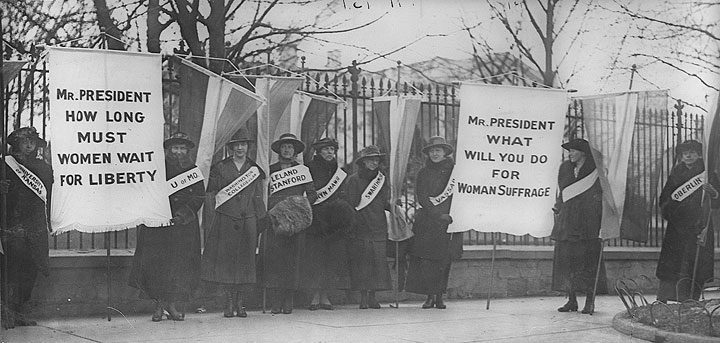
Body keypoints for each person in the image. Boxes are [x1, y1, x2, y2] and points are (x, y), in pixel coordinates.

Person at [129, 132, 205, 322]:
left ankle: (171, 305)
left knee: (178, 267)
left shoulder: (193, 171)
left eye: (182, 148)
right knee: (157, 266)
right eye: (175, 148)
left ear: (187, 150)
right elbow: (147, 193)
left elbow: (199, 197)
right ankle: (158, 306)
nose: (178, 152)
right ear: (168, 150)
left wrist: (182, 215)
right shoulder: (157, 169)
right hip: (159, 225)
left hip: (183, 226)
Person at [201, 128, 266, 318]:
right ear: (230, 147)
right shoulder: (221, 167)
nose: (240, 148)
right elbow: (210, 188)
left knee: (246, 261)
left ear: (248, 147)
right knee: (228, 262)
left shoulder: (254, 169)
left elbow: (258, 196)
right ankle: (228, 302)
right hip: (227, 219)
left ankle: (241, 302)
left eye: (243, 144)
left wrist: (261, 219)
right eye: (236, 144)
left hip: (248, 220)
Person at [0, 127, 52, 329]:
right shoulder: (5, 163)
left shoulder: (43, 167)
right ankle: (8, 312)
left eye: (32, 141)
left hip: (35, 225)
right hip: (13, 224)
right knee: (12, 269)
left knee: (32, 269)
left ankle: (20, 311)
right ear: (16, 143)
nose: (29, 145)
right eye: (25, 141)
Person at [656, 140, 719, 302]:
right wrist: (671, 210)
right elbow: (664, 198)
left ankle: (690, 299)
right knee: (672, 263)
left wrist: (714, 194)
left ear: (699, 154)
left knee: (693, 264)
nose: (688, 155)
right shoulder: (675, 173)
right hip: (677, 226)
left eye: (691, 152)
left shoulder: (708, 174)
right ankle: (665, 298)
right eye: (684, 153)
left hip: (699, 225)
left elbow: (717, 201)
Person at [261, 133, 317, 314]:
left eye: (290, 147)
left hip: (295, 223)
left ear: (295, 151)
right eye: (284, 146)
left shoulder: (303, 170)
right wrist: (275, 211)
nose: (287, 149)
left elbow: (312, 195)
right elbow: (263, 194)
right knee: (275, 260)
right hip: (275, 221)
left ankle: (288, 299)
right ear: (279, 149)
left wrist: (297, 208)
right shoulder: (270, 170)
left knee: (293, 261)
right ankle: (276, 301)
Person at [405, 136, 463, 309]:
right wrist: (436, 213)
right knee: (427, 261)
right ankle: (429, 296)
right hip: (428, 222)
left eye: (438, 150)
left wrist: (450, 214)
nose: (434, 154)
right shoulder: (423, 172)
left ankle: (439, 296)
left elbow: (459, 195)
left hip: (448, 222)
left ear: (445, 152)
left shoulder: (455, 172)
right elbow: (421, 196)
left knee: (443, 261)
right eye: (431, 151)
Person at [551, 138, 607, 315]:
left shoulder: (595, 171)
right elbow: (562, 192)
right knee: (567, 262)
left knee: (588, 262)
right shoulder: (565, 168)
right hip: (567, 222)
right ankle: (571, 300)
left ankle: (589, 302)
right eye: (569, 151)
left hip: (587, 223)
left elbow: (601, 195)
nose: (570, 154)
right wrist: (559, 208)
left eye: (573, 150)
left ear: (583, 152)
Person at [300, 137, 353, 310]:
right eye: (326, 149)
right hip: (316, 218)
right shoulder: (310, 167)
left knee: (331, 258)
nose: (330, 153)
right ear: (318, 151)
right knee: (315, 258)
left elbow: (342, 192)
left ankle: (325, 295)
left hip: (333, 220)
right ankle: (315, 295)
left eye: (332, 149)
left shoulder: (338, 170)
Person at [344, 145, 392, 309]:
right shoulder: (353, 180)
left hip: (378, 224)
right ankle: (363, 296)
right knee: (362, 263)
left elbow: (385, 201)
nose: (373, 162)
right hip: (360, 225)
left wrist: (394, 208)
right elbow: (350, 204)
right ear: (363, 162)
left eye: (376, 159)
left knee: (378, 263)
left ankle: (373, 296)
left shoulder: (382, 179)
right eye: (370, 159)